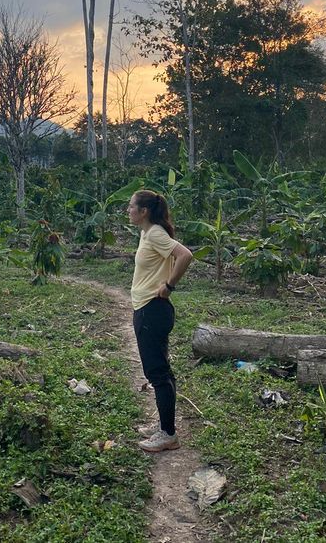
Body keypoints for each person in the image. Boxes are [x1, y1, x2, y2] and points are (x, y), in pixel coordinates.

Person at [128, 189, 193, 452]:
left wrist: (169, 286)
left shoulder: (154, 232)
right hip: (146, 307)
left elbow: (185, 255)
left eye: (131, 207)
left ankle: (168, 434)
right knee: (160, 371)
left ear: (144, 211)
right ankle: (164, 426)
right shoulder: (146, 233)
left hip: (152, 309)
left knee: (157, 372)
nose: (128, 210)